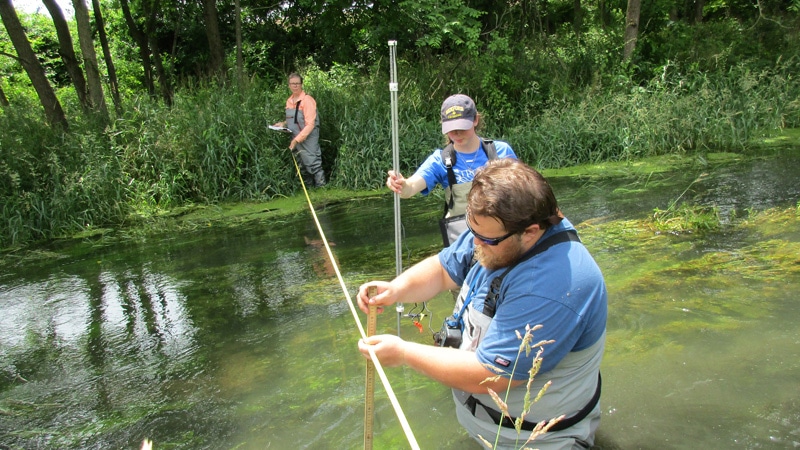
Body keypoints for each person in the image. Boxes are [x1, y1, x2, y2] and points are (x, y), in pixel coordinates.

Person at [358, 159, 607, 450]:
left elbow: (489, 375)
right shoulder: (495, 229)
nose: (475, 244)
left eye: (485, 239)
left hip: (537, 442)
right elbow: (443, 269)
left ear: (530, 232)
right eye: (472, 231)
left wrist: (403, 353)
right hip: (489, 430)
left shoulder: (554, 286)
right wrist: (397, 288)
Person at [385, 94, 517, 246]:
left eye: (462, 127)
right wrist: (401, 185)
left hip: (504, 236)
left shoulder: (501, 151)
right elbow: (410, 189)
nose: (457, 134)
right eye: (451, 129)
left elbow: (522, 192)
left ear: (475, 120)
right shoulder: (439, 160)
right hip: (463, 242)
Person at [273, 73, 326, 187]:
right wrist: (283, 123)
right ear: (289, 85)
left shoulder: (307, 100)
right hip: (295, 137)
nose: (295, 86)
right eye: (292, 84)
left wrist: (296, 140)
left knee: (313, 163)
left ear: (301, 84)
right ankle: (309, 188)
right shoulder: (289, 101)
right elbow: (294, 118)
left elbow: (310, 124)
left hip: (308, 137)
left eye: (297, 83)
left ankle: (322, 189)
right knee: (301, 164)